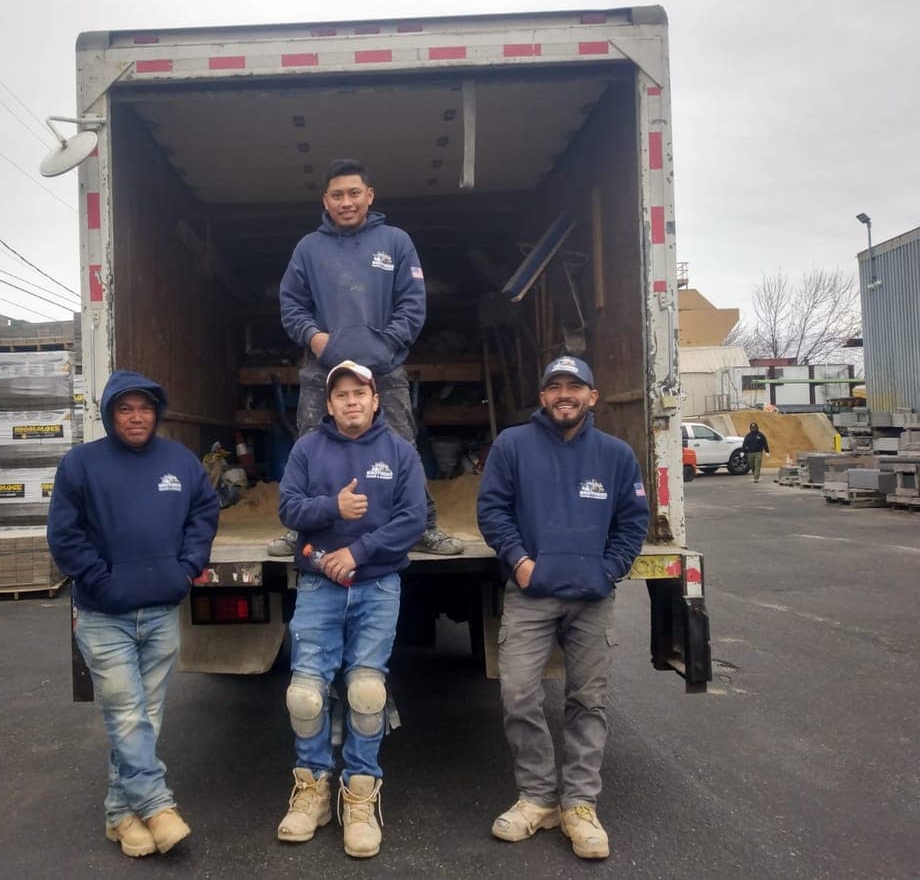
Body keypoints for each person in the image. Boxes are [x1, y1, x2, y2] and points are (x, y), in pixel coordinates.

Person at [476, 355, 649, 861]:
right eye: (554, 386)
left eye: (575, 386)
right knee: (518, 694)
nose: (564, 394)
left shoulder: (616, 456)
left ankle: (579, 805)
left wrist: (608, 569)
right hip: (531, 594)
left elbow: (633, 521)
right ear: (543, 396)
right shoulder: (512, 446)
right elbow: (492, 510)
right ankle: (537, 799)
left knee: (586, 702)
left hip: (592, 598)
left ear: (593, 397)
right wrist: (520, 563)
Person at [46, 369, 219, 858]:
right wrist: (101, 580)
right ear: (109, 414)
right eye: (125, 408)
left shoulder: (179, 462)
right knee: (127, 715)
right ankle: (157, 806)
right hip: (104, 616)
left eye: (145, 408)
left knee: (145, 718)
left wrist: (186, 569)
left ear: (156, 413)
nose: (136, 416)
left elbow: (204, 512)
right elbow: (64, 534)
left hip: (162, 611)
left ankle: (120, 814)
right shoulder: (81, 465)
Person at [272, 157, 463, 557]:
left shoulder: (396, 241)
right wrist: (317, 340)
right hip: (322, 371)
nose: (346, 202)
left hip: (386, 370)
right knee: (310, 447)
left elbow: (412, 306)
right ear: (325, 200)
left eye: (354, 193)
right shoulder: (309, 248)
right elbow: (291, 305)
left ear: (369, 196)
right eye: (337, 195)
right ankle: (301, 529)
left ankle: (423, 525)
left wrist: (384, 347)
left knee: (403, 446)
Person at [275, 360, 426, 858]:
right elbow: (289, 509)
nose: (351, 401)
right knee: (304, 695)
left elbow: (413, 519)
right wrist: (332, 510)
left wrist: (357, 552)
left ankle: (360, 794)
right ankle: (313, 791)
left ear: (376, 398)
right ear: (330, 403)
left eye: (359, 392)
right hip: (320, 587)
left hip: (377, 586)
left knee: (366, 691)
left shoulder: (400, 452)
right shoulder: (307, 449)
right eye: (341, 394)